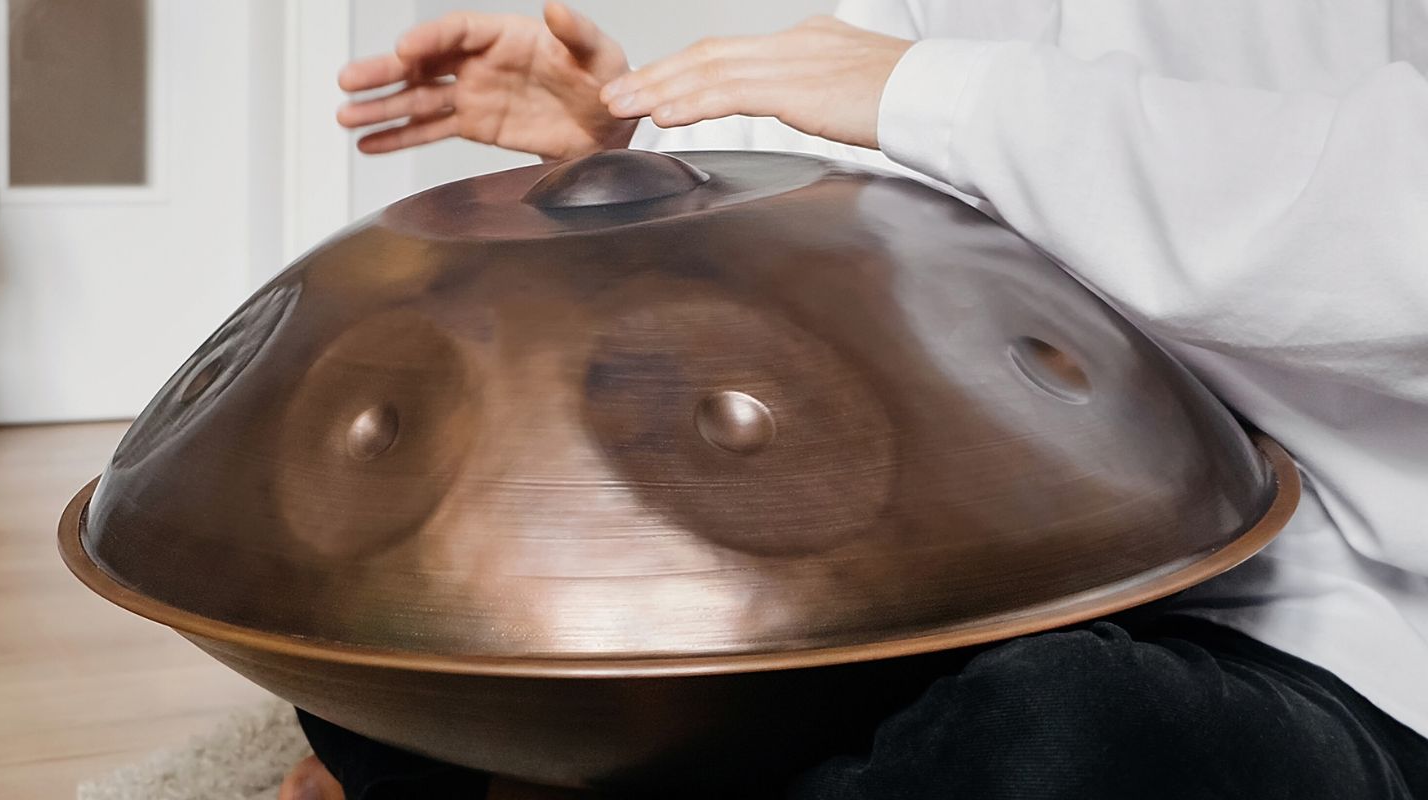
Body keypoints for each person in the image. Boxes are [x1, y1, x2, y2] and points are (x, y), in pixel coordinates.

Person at [280, 1, 1428, 797]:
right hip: (988, 566)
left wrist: (948, 95)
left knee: (1052, 736)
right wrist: (631, 145)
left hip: (1346, 629)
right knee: (381, 604)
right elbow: (869, 148)